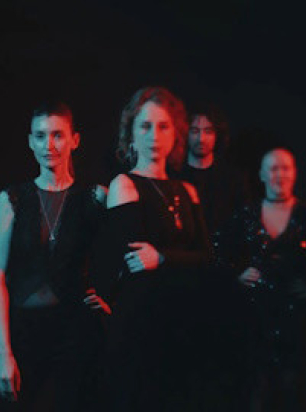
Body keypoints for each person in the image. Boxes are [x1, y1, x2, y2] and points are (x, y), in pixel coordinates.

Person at [0, 101, 109, 411]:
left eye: (57, 135)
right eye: (40, 136)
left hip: (75, 331)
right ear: (30, 141)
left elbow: (121, 248)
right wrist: (3, 352)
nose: (48, 145)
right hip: (24, 330)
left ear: (74, 140)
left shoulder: (94, 196)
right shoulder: (13, 198)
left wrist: (111, 298)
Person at [93, 87, 211, 412]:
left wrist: (161, 257)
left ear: (175, 134)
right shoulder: (125, 184)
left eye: (163, 126)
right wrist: (179, 262)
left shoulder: (187, 191)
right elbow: (136, 265)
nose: (154, 136)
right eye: (145, 126)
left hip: (185, 320)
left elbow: (208, 258)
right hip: (142, 324)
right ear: (131, 133)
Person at [213, 148, 306, 412]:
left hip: (297, 321)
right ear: (262, 175)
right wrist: (237, 272)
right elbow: (216, 248)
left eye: (285, 168)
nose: (280, 174)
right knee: (256, 391)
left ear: (294, 173)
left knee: (294, 391)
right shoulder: (248, 214)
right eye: (273, 168)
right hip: (256, 319)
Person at [175, 103, 248, 234]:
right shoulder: (174, 176)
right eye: (194, 131)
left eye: (208, 131)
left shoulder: (233, 179)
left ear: (217, 135)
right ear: (186, 133)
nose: (201, 139)